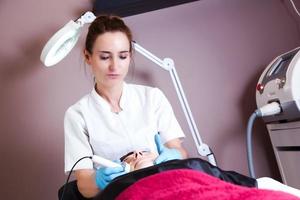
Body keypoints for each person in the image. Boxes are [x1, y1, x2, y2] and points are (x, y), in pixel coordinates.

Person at [64, 15, 188, 198]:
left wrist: (173, 155)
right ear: (88, 57)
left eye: (122, 56)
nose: (115, 66)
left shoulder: (152, 97)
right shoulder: (77, 115)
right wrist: (98, 180)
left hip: (166, 187)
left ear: (130, 57)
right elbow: (84, 184)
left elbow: (179, 151)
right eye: (105, 57)